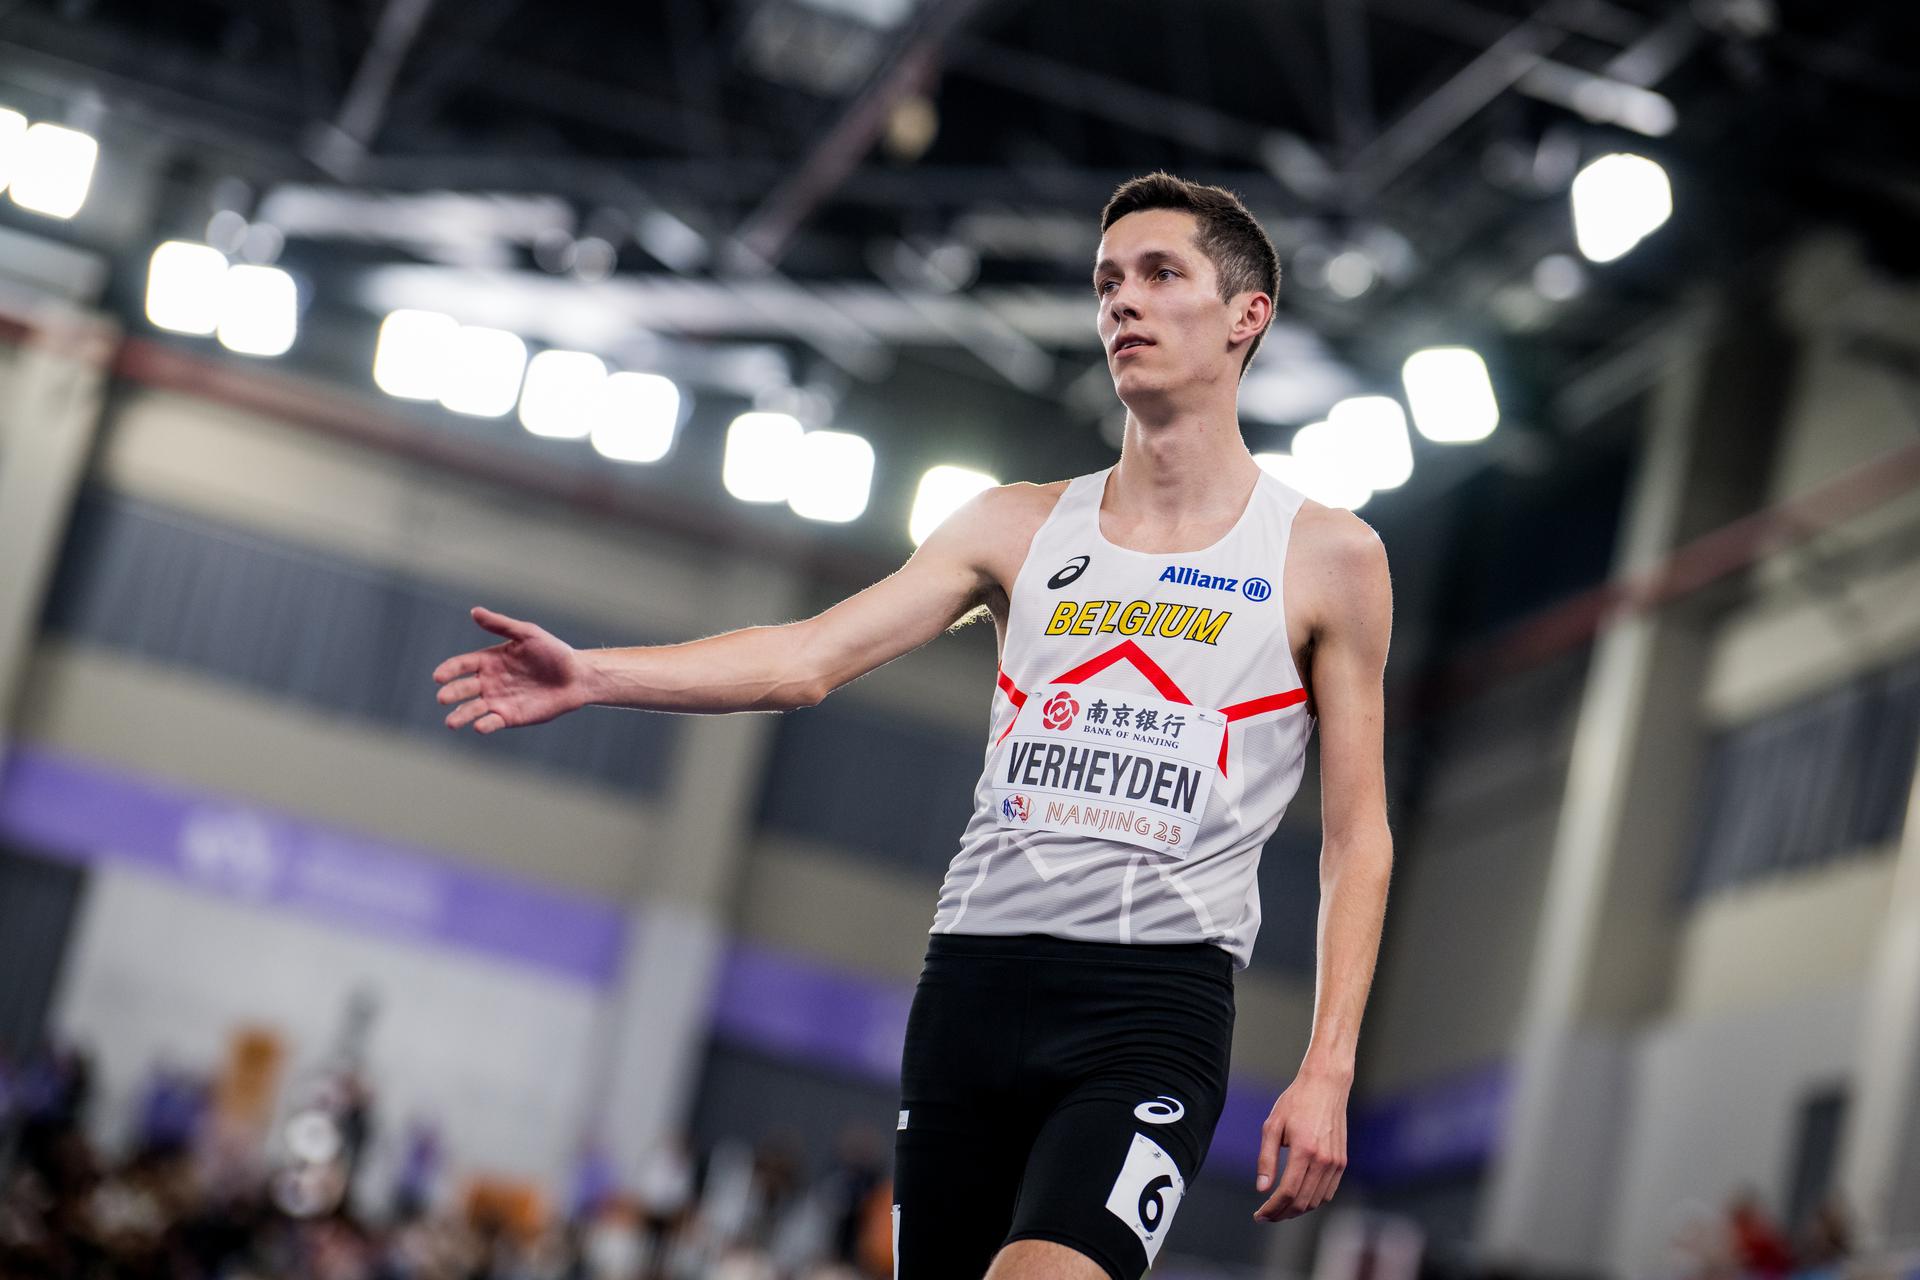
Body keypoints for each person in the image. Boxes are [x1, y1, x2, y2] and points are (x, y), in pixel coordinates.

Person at [433, 172, 1394, 1280]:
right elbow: (805, 659)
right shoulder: (1014, 524)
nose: (1122, 302)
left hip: (1152, 1008)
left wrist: (1329, 1064)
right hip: (974, 988)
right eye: (1106, 283)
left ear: (1246, 315)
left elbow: (1356, 836)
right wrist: (594, 673)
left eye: (1159, 274)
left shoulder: (1327, 557)